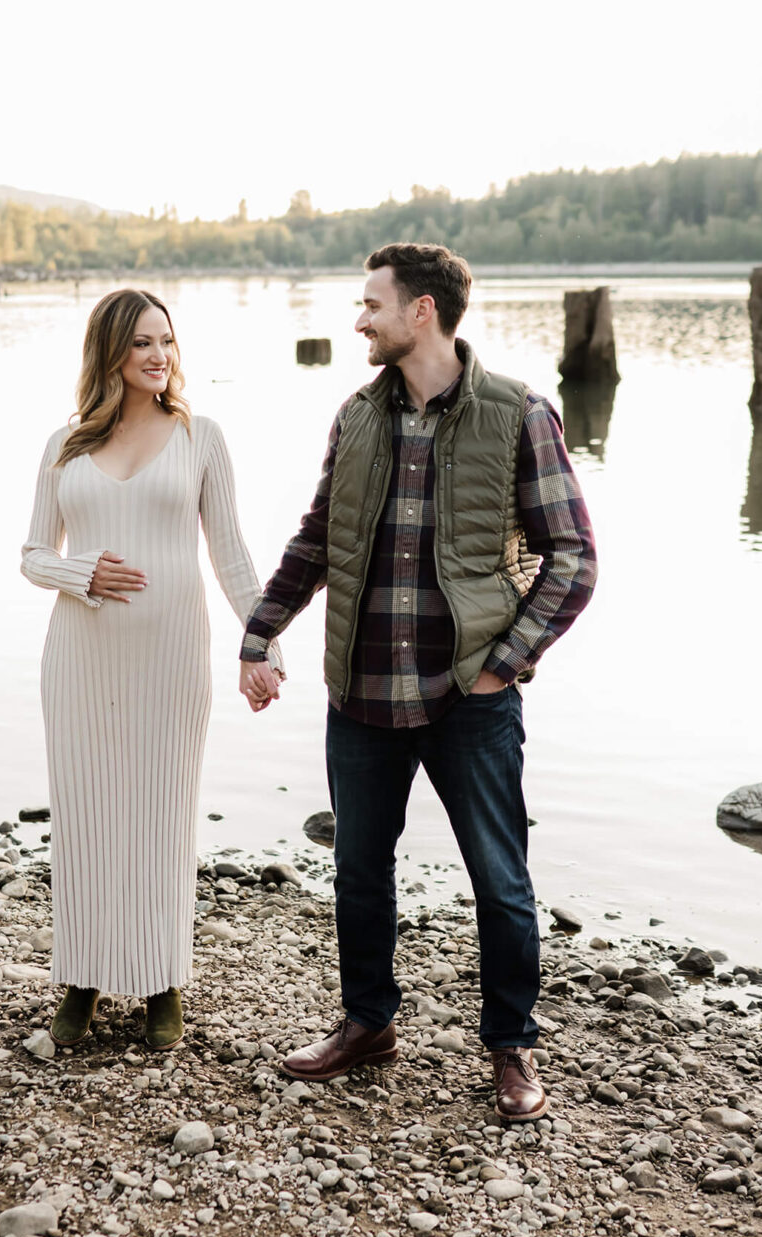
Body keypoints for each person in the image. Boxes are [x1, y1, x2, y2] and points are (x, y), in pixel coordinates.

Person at [237, 243, 597, 1122]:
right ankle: (368, 1024)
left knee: (499, 878)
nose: (358, 319)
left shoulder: (518, 414)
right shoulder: (356, 416)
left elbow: (573, 559)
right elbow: (318, 539)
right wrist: (259, 630)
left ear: (422, 311)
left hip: (467, 698)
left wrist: (503, 665)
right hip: (360, 693)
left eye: (371, 304)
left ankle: (511, 1048)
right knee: (360, 871)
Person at [21, 288, 282, 1051]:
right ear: (109, 351)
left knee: (162, 813)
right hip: (80, 657)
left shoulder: (201, 438)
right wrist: (81, 573)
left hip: (171, 658)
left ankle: (164, 982)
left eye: (166, 341)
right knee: (85, 816)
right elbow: (33, 553)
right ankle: (81, 980)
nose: (159, 355)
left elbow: (230, 553)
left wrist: (262, 640)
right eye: (141, 342)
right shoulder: (64, 445)